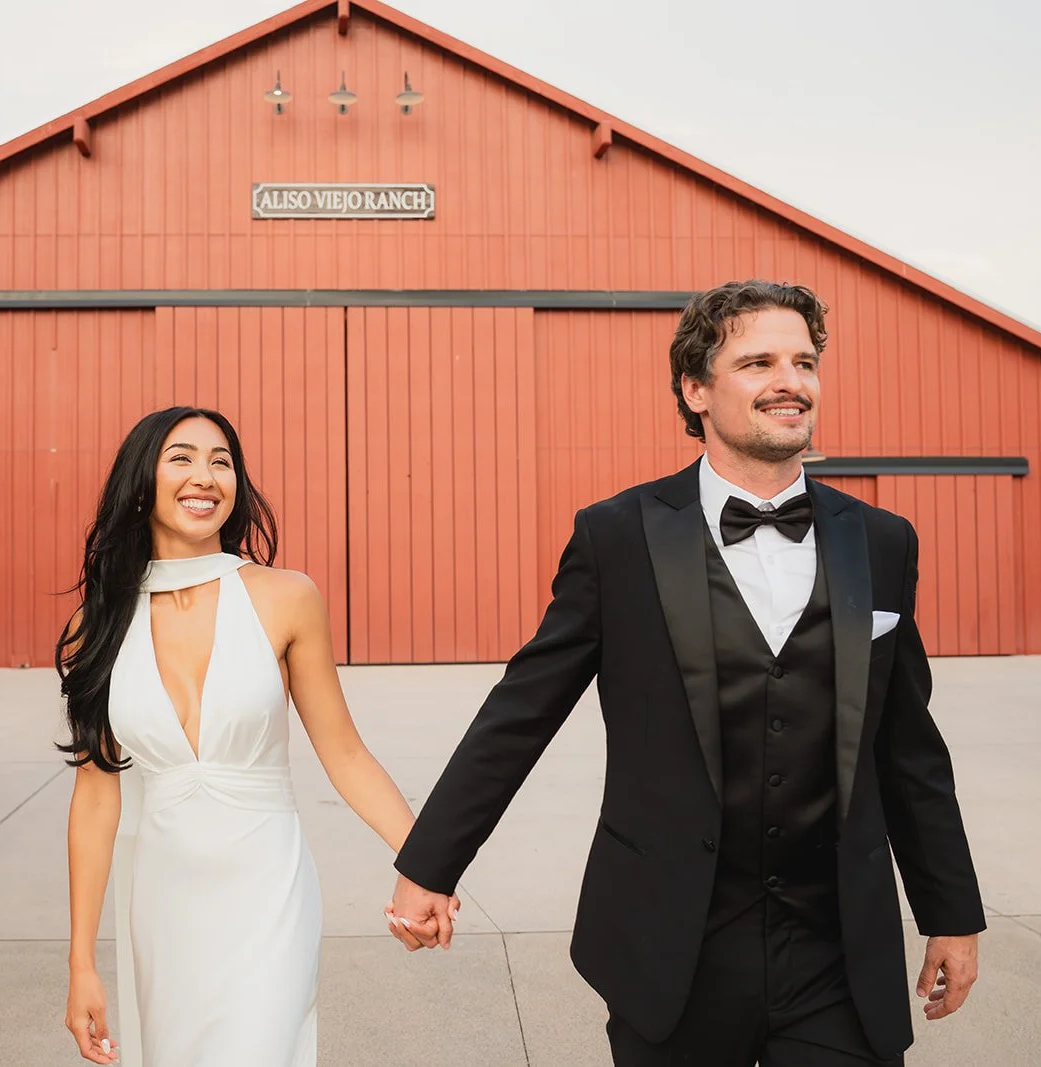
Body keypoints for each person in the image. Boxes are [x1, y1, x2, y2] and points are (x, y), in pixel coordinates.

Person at [386, 281, 985, 1065]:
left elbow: (908, 746)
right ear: (695, 389)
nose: (790, 381)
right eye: (758, 361)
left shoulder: (880, 540)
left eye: (804, 361)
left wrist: (951, 909)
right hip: (672, 941)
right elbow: (521, 712)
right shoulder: (616, 535)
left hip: (836, 947)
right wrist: (428, 864)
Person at [58, 405, 453, 1066]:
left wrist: (428, 862)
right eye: (181, 457)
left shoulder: (285, 597)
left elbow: (346, 753)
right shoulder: (95, 626)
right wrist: (80, 964)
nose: (205, 475)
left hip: (267, 894)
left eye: (221, 461)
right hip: (163, 908)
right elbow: (95, 800)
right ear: (141, 481)